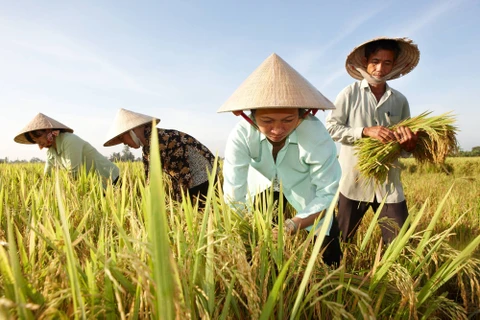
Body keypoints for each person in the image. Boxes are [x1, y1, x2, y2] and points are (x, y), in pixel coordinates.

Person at [219, 53, 342, 266]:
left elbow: (328, 193)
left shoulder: (316, 135)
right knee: (256, 251)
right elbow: (234, 193)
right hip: (262, 190)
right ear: (250, 117)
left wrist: (294, 224)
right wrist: (243, 228)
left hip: (306, 190)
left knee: (327, 254)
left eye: (288, 120)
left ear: (303, 115)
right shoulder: (241, 136)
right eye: (266, 121)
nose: (277, 130)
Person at [325, 37, 420, 243]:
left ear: (394, 65)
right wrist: (365, 131)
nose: (380, 68)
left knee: (399, 244)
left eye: (387, 63)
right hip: (354, 181)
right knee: (341, 242)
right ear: (366, 62)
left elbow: (404, 148)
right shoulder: (349, 94)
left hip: (389, 184)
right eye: (375, 61)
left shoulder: (400, 100)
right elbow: (331, 128)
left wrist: (408, 146)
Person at [104, 108, 217, 207]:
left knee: (201, 210)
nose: (124, 144)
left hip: (201, 173)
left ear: (132, 132)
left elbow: (158, 180)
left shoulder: (159, 139)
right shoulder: (148, 147)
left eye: (123, 139)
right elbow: (150, 180)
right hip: (188, 176)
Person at [14, 113, 120, 188]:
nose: (38, 142)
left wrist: (65, 191)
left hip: (110, 178)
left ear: (48, 131)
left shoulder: (69, 140)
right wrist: (41, 188)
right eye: (34, 140)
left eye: (38, 137)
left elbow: (74, 173)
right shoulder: (50, 151)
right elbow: (48, 174)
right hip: (94, 185)